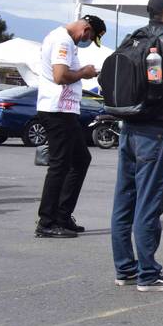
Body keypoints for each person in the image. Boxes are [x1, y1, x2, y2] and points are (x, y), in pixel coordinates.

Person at [111, 0, 163, 291]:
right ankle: (149, 273)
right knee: (149, 203)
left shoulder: (133, 37)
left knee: (125, 200)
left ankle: (126, 268)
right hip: (158, 128)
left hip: (129, 124)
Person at [34, 14, 105, 238]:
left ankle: (62, 215)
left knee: (81, 159)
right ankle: (47, 221)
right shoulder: (62, 40)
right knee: (60, 165)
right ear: (85, 29)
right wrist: (84, 73)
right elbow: (60, 75)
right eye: (90, 37)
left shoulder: (64, 40)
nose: (87, 41)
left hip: (63, 110)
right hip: (57, 110)